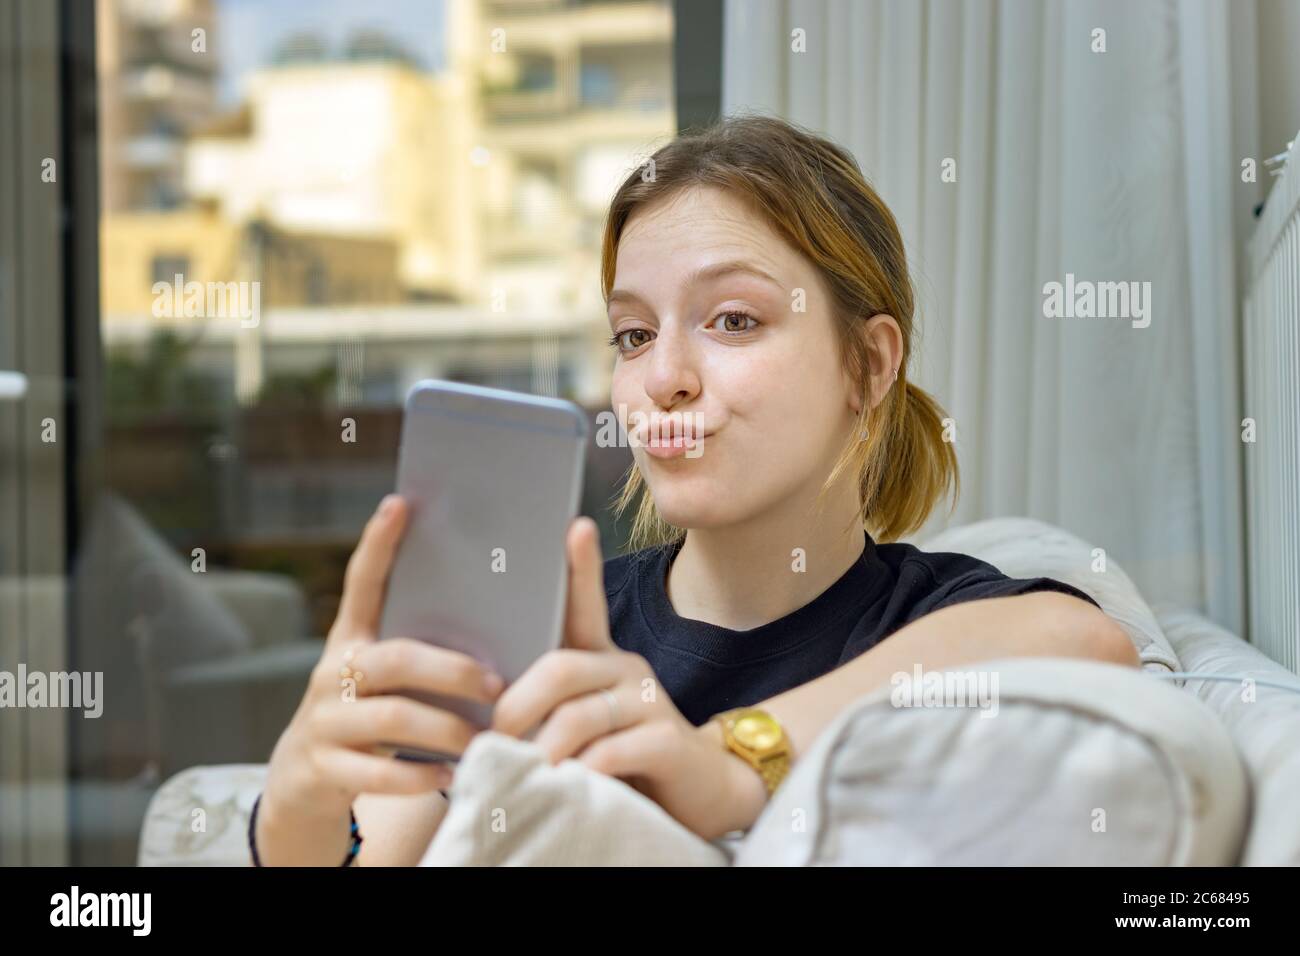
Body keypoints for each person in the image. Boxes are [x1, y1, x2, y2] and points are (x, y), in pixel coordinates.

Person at [252, 115, 1138, 866]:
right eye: (633, 335)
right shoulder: (551, 630)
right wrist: (297, 808)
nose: (663, 376)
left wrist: (730, 764)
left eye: (733, 320)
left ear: (867, 365)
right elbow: (385, 849)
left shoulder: (928, 617)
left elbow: (1088, 643)